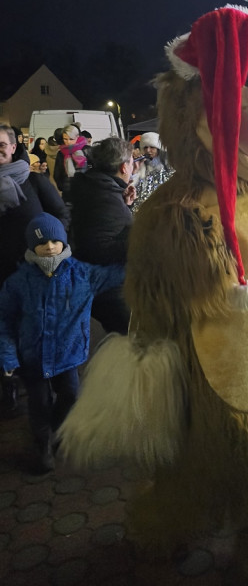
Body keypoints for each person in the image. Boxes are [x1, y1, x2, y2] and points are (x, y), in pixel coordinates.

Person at [0, 213, 125, 473]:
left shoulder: (81, 274)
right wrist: (8, 357)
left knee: (70, 396)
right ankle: (42, 443)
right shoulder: (18, 283)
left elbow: (116, 274)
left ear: (63, 242)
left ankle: (57, 429)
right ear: (30, 246)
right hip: (32, 359)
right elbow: (5, 321)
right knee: (39, 403)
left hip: (68, 355)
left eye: (54, 240)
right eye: (42, 242)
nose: (49, 246)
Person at [0, 124, 70, 416]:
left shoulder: (35, 181)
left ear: (13, 146)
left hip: (39, 273)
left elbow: (62, 215)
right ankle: (9, 385)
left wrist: (56, 252)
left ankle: (48, 385)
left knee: (41, 330)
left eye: (1, 144)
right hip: (3, 275)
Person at [69, 137, 135, 335]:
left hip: (96, 282)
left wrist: (125, 204)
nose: (133, 167)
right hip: (109, 288)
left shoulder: (93, 184)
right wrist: (140, 240)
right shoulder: (106, 197)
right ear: (124, 167)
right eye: (132, 162)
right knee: (130, 338)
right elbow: (99, 248)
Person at [132, 131, 173, 211]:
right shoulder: (140, 165)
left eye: (152, 147)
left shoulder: (169, 166)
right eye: (145, 147)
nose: (148, 150)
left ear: (158, 148)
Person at [53, 124, 89, 201]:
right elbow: (57, 172)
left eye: (71, 139)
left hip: (87, 189)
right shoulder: (61, 152)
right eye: (65, 139)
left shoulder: (87, 150)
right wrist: (63, 186)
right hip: (68, 190)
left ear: (77, 137)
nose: (68, 142)